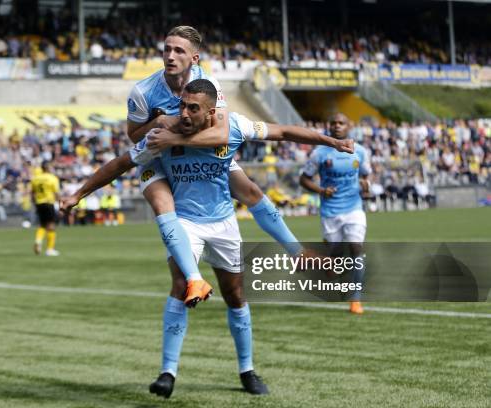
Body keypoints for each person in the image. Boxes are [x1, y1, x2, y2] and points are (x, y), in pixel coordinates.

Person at [62, 79, 353, 398]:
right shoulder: (161, 138)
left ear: (212, 112)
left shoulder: (235, 127)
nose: (184, 113)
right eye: (182, 105)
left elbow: (283, 132)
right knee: (181, 286)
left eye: (193, 108)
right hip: (186, 221)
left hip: (224, 222)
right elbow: (120, 164)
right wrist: (79, 193)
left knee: (236, 294)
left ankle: (247, 369)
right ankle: (167, 372)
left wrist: (331, 142)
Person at [125, 25, 321, 306]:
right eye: (166, 49)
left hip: (201, 153)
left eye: (178, 50)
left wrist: (176, 135)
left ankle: (296, 252)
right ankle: (193, 279)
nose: (170, 55)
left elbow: (221, 133)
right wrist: (158, 125)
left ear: (194, 58)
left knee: (251, 191)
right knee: (162, 203)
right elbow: (133, 136)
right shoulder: (144, 91)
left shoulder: (208, 83)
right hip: (158, 157)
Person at [300, 113, 370, 315]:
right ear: (329, 126)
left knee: (357, 248)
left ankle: (355, 299)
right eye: (334, 123)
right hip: (330, 211)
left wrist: (366, 186)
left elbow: (366, 175)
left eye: (341, 123)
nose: (337, 126)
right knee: (334, 265)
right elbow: (303, 179)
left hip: (354, 208)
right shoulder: (319, 153)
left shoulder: (361, 152)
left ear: (349, 126)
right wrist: (321, 191)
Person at [31, 161, 60, 256]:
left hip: (39, 203)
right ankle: (50, 249)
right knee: (51, 226)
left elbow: (32, 193)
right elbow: (56, 193)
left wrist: (34, 203)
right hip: (48, 202)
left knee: (43, 224)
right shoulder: (52, 178)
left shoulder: (35, 179)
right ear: (48, 168)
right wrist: (60, 203)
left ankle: (38, 240)